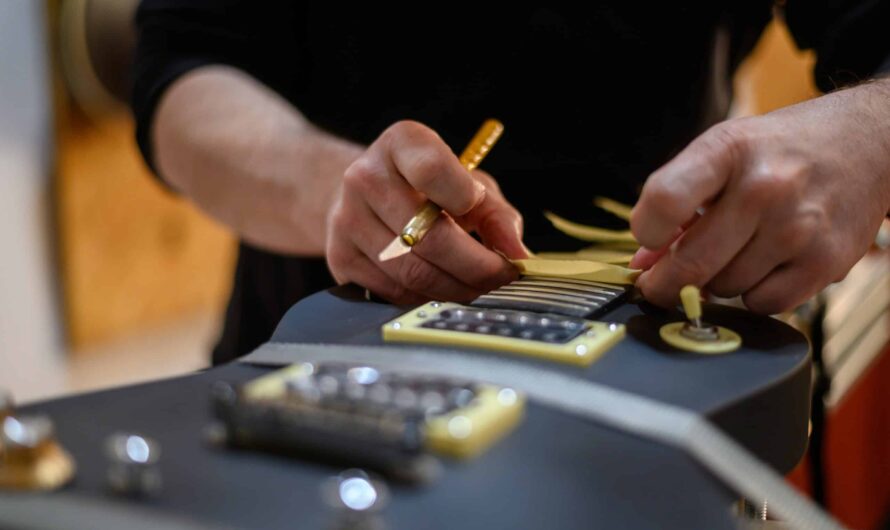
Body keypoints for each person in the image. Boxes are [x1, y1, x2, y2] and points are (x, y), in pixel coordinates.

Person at [132, 2, 890, 364]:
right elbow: (182, 71)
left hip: (666, 371)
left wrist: (867, 136)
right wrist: (337, 191)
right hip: (326, 364)